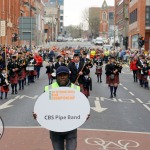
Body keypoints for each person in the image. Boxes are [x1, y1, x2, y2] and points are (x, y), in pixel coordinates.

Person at [33, 66, 80, 150]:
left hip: (71, 128)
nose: (62, 77)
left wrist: (84, 115)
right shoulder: (49, 89)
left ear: (68, 76)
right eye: (60, 75)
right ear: (56, 77)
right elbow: (43, 106)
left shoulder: (76, 89)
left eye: (64, 75)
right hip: (55, 129)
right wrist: (37, 113)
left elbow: (81, 106)